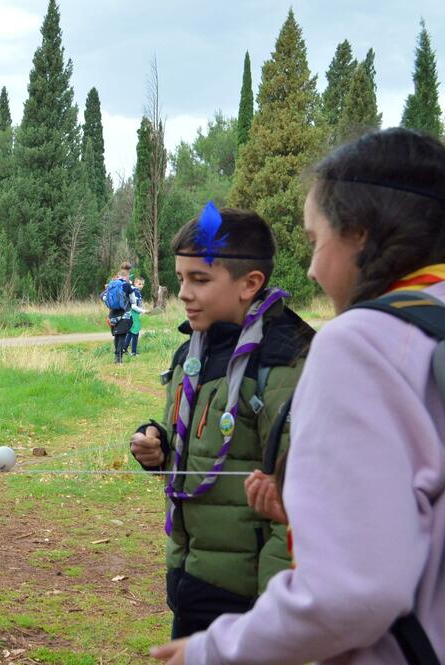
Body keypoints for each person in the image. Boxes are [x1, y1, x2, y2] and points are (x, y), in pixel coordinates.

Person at [150, 128, 445, 665]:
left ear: (359, 235)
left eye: (316, 241)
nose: (311, 268)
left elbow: (353, 591)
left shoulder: (358, 343)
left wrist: (212, 651)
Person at [130, 203, 314, 640]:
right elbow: (206, 449)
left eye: (200, 279)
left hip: (250, 598)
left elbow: (297, 502)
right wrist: (158, 448)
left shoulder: (286, 362)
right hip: (192, 576)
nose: (184, 294)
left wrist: (273, 615)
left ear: (250, 283)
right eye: (180, 279)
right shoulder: (192, 351)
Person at [104, 267, 135, 363]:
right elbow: (133, 301)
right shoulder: (127, 285)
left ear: (118, 276)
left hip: (113, 314)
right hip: (124, 314)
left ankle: (116, 358)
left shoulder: (111, 285)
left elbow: (103, 297)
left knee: (116, 336)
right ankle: (119, 359)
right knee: (122, 336)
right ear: (127, 277)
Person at [124, 277, 148, 356]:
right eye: (139, 284)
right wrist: (143, 311)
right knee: (135, 332)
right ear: (135, 283)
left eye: (143, 284)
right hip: (133, 313)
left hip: (132, 313)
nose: (141, 286)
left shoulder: (135, 291)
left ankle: (124, 349)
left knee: (131, 332)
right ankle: (133, 352)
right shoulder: (135, 292)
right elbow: (133, 306)